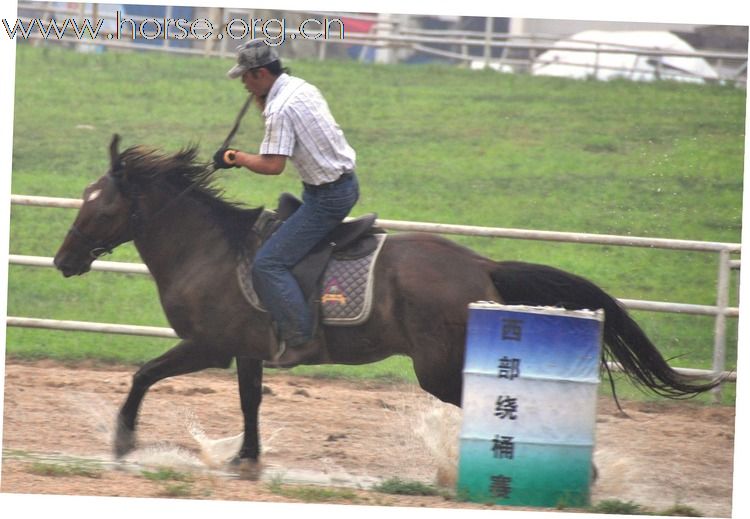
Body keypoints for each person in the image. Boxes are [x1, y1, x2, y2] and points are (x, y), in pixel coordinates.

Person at [213, 39, 359, 367]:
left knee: (268, 264)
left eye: (246, 78)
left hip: (328, 199)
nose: (243, 84)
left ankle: (302, 340)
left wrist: (234, 157)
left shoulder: (280, 109)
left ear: (261, 73)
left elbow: (272, 165)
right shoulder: (299, 87)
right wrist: (259, 98)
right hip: (337, 184)